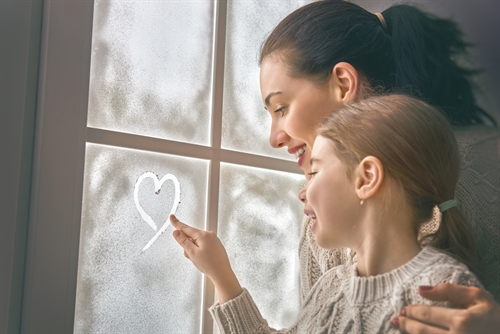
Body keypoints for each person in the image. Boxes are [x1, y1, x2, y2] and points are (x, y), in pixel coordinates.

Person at [257, 0, 499, 331]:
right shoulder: (321, 215)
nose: (274, 138)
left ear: (343, 83)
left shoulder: (487, 168)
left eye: (281, 107)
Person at [171, 95, 485, 333]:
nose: (302, 192)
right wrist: (221, 276)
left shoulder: (443, 289)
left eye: (315, 171)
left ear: (366, 179)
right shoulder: (331, 286)